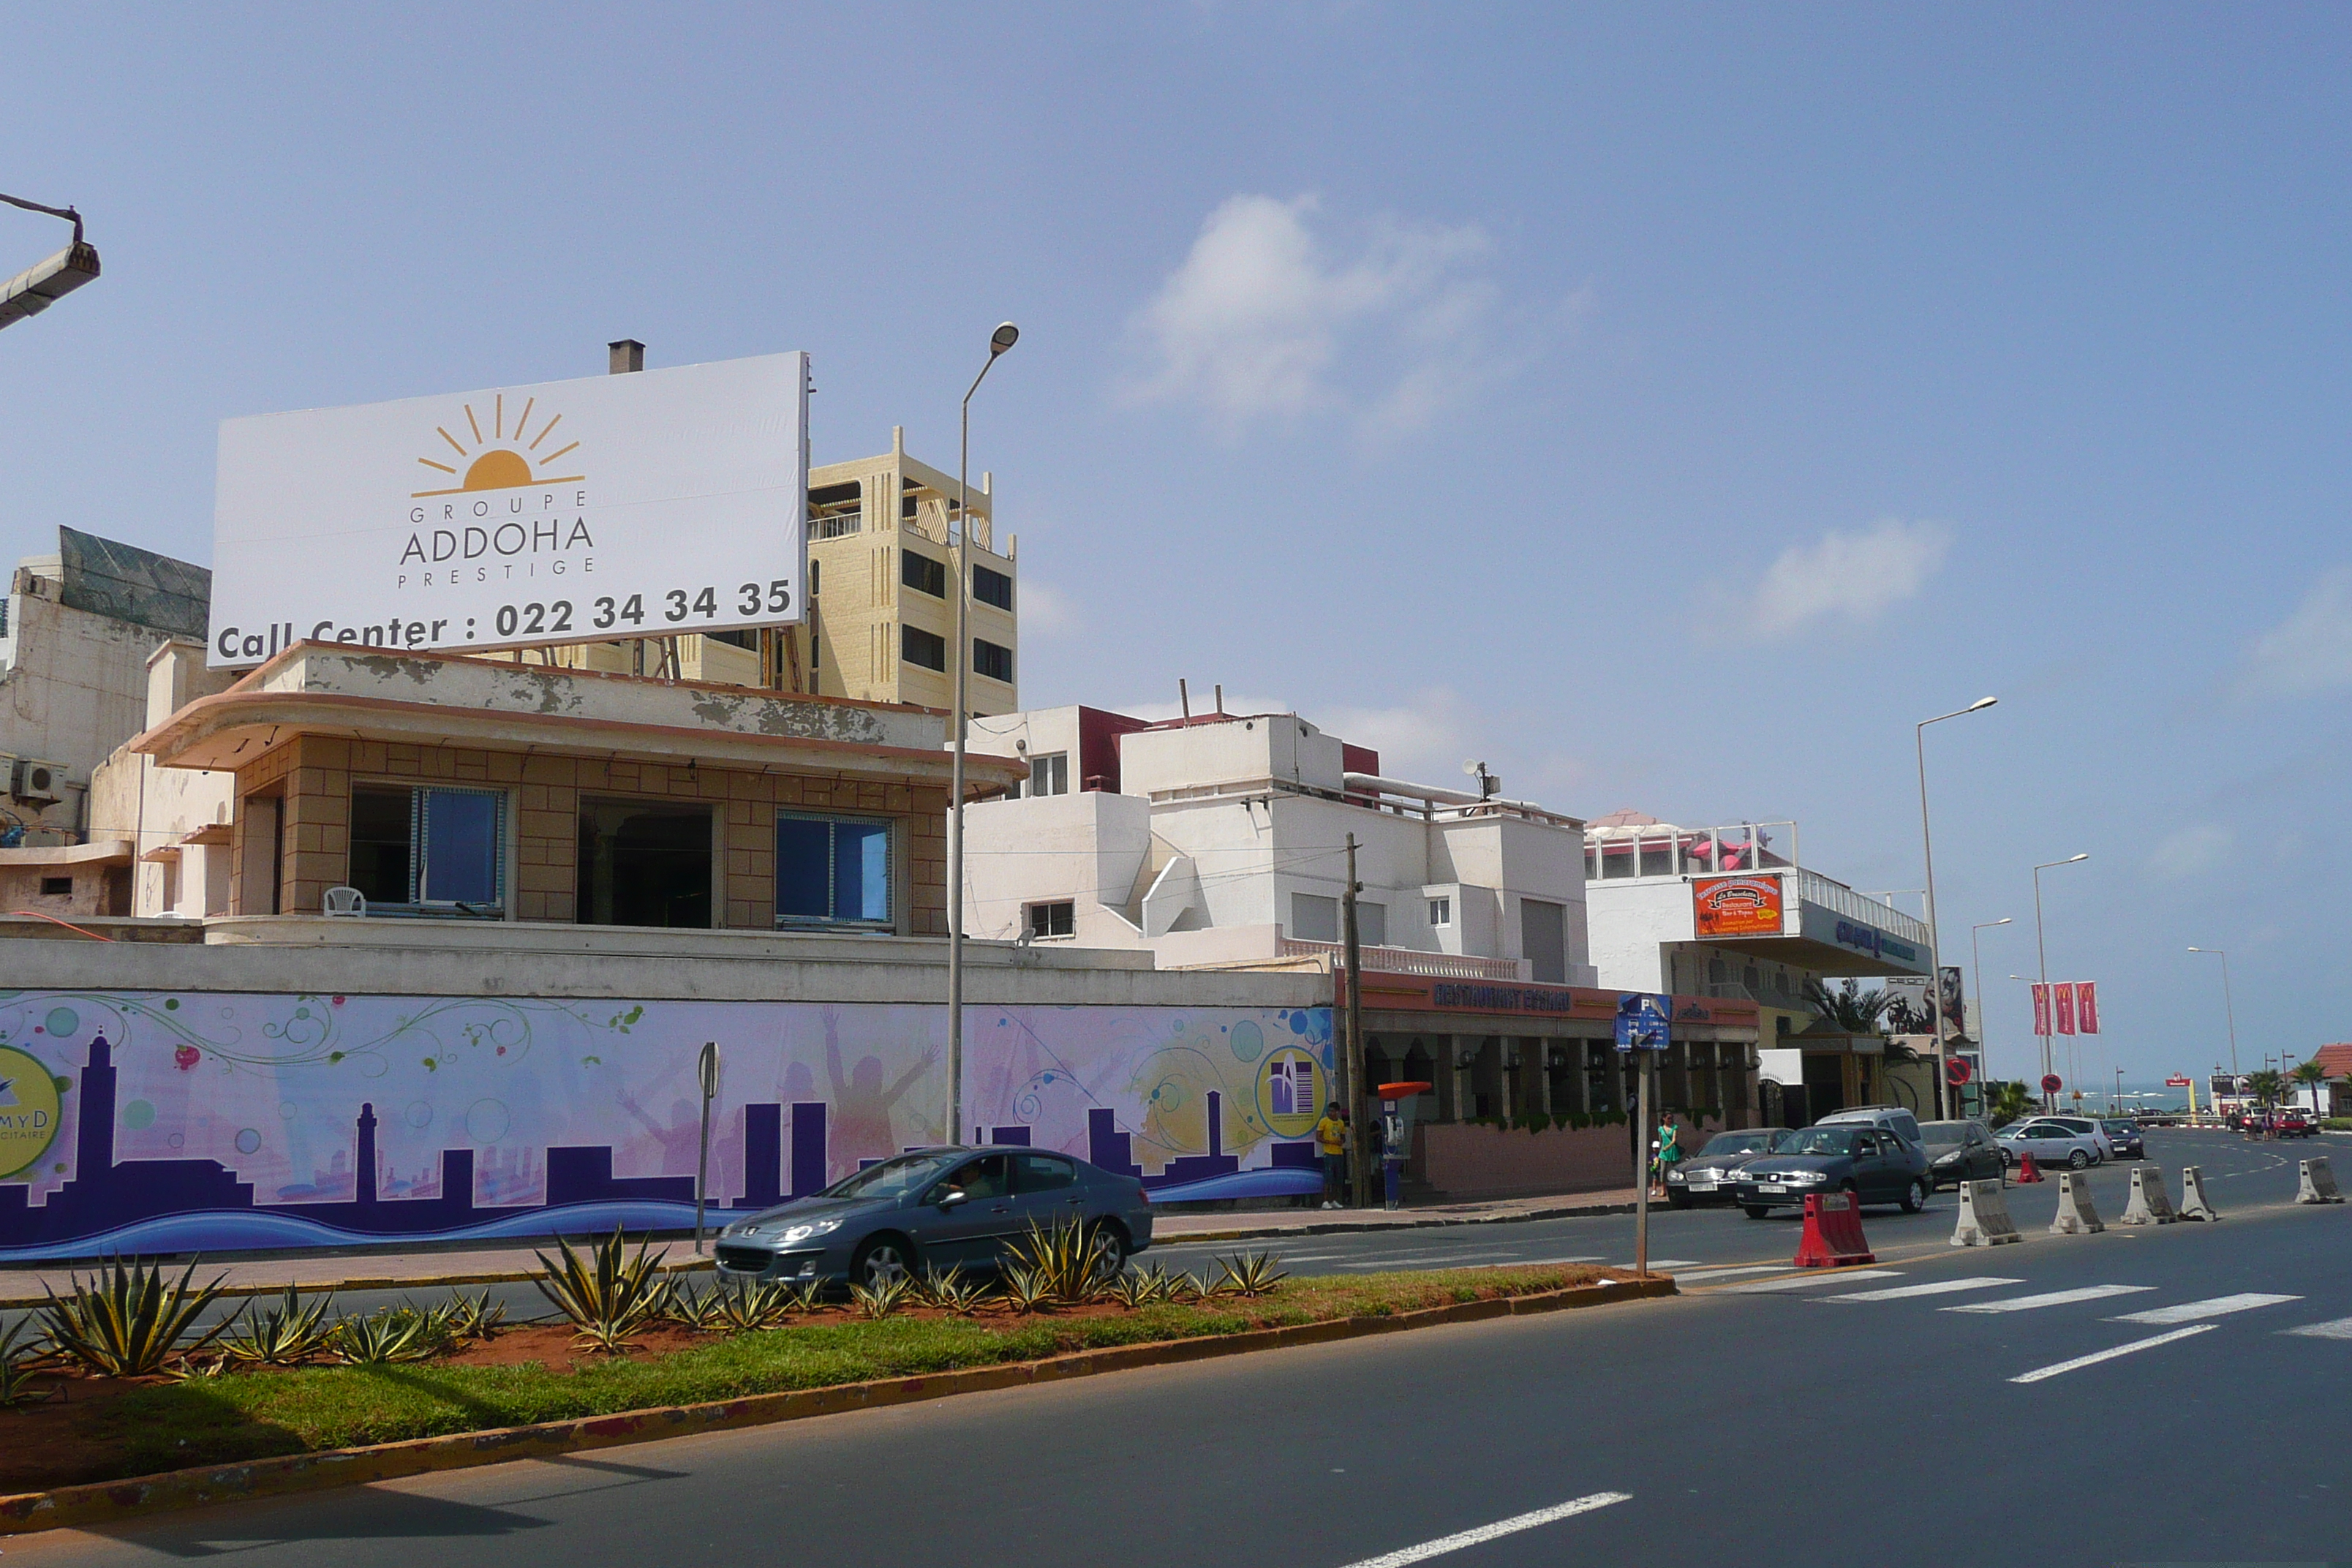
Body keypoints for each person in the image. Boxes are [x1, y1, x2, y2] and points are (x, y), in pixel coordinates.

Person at [1313, 1101, 1351, 1210]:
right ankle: (1325, 1201)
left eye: (1333, 1111)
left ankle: (1333, 1199)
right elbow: (1318, 1137)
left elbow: (1343, 1137)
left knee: (1338, 1179)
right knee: (1329, 1179)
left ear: (1337, 1112)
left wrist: (1341, 1141)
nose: (1331, 1113)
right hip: (1329, 1153)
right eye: (1329, 1111)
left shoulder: (1341, 1123)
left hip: (1339, 1153)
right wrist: (1330, 1142)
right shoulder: (1324, 1122)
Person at [1651, 1111, 1682, 1199]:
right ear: (1664, 1119)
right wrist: (1659, 1152)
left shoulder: (1674, 1127)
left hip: (1672, 1150)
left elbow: (1674, 1140)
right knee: (1663, 1171)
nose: (1670, 1120)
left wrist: (1667, 1147)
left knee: (1677, 1169)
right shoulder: (1660, 1129)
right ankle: (1663, 1190)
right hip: (1664, 1152)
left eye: (1671, 1118)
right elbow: (1661, 1141)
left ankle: (1678, 1188)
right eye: (1668, 1118)